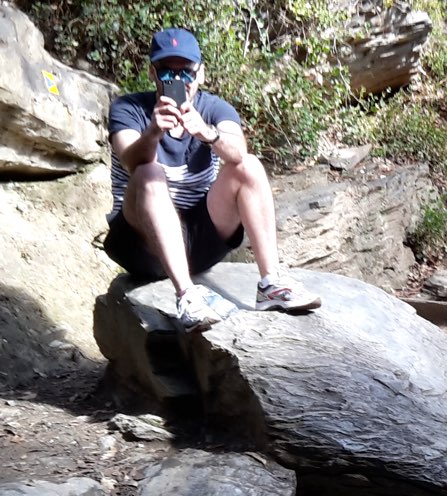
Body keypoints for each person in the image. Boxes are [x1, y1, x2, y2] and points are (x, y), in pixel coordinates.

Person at [105, 27, 320, 332]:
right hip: (142, 241)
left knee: (249, 166)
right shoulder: (128, 109)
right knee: (149, 171)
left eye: (187, 72)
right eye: (167, 72)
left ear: (201, 73)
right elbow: (130, 160)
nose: (178, 81)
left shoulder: (215, 109)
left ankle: (271, 283)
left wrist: (207, 133)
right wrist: (153, 131)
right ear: (153, 74)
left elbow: (238, 153)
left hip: (199, 240)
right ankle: (187, 296)